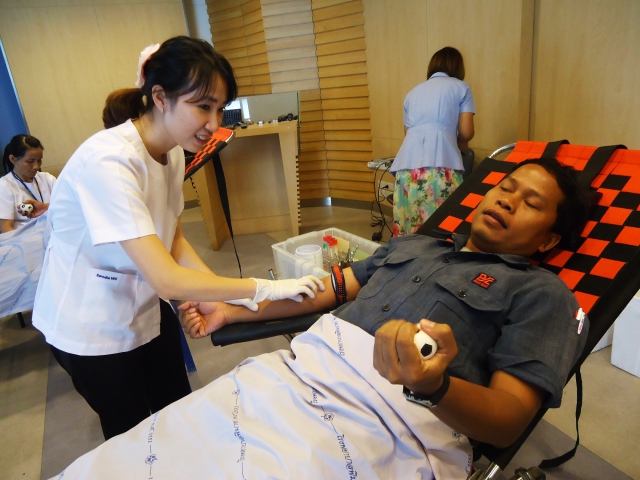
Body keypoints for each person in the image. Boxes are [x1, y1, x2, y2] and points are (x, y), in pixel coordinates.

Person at [181, 157, 590, 449]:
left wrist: (433, 386)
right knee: (185, 435)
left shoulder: (543, 294)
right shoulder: (415, 244)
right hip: (296, 378)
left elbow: (511, 420)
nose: (506, 201)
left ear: (549, 240)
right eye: (506, 188)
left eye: (531, 203)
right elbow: (324, 290)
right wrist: (231, 311)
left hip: (381, 426)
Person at [32, 36, 323, 440]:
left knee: (176, 410)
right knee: (132, 434)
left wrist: (217, 297)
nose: (214, 124)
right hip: (90, 324)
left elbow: (174, 243)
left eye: (220, 109)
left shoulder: (170, 152)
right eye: (203, 106)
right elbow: (168, 280)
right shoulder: (108, 162)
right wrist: (264, 288)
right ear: (160, 97)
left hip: (142, 303)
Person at [391, 46, 475, 236]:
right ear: (458, 67)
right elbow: (466, 131)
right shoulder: (461, 87)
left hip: (406, 170)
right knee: (441, 229)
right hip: (440, 168)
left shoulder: (412, 93)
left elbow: (407, 133)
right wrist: (458, 143)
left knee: (409, 229)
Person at [0, 134, 56, 233]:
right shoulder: (5, 186)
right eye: (30, 161)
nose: (36, 166)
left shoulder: (48, 179)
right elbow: (6, 230)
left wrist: (46, 206)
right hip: (25, 239)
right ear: (13, 159)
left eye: (39, 160)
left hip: (55, 232)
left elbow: (67, 208)